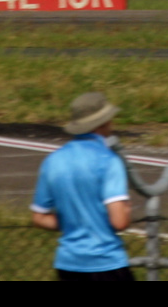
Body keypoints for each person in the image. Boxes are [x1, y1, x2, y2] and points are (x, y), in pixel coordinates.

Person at [31, 92, 135, 280]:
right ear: (103, 123)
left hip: (68, 265)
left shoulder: (53, 161)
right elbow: (119, 221)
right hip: (107, 263)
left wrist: (74, 221)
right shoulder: (109, 160)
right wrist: (126, 209)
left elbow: (39, 217)